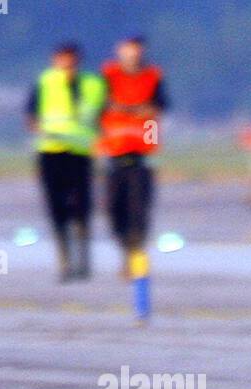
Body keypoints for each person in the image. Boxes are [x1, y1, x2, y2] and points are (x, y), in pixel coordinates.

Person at [26, 43, 107, 282]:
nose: (68, 67)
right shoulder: (45, 82)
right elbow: (31, 116)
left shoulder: (94, 84)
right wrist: (40, 129)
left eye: (72, 62)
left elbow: (103, 116)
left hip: (81, 153)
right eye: (63, 62)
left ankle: (83, 260)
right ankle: (64, 261)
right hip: (51, 152)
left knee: (82, 207)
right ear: (55, 61)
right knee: (56, 208)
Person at [99, 36, 168, 279]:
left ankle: (136, 263)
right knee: (114, 211)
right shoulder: (107, 76)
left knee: (139, 212)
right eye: (128, 50)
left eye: (137, 51)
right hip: (114, 155)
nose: (133, 55)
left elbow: (159, 106)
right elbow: (99, 106)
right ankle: (126, 252)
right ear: (120, 51)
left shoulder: (153, 77)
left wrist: (128, 108)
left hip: (142, 157)